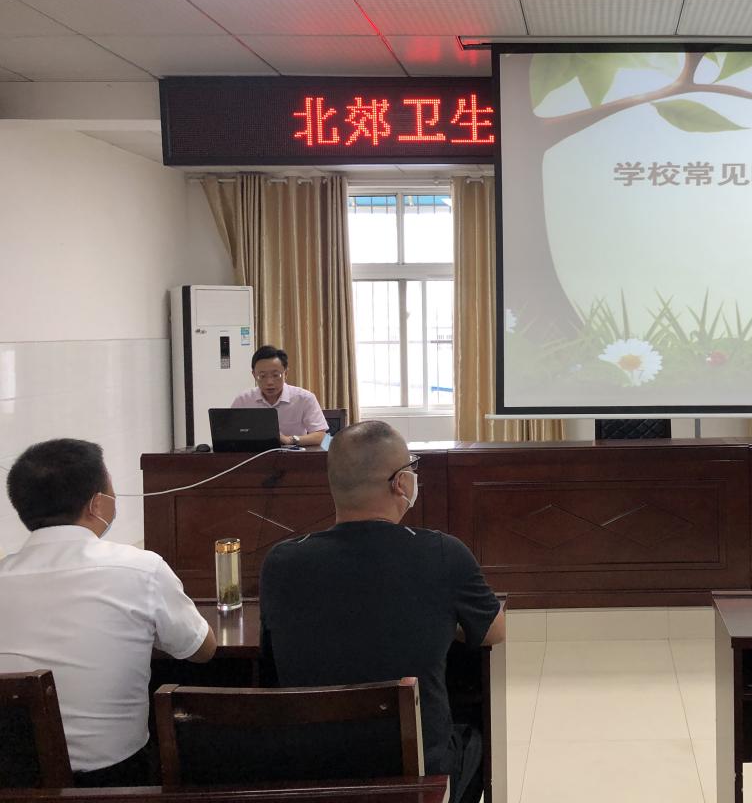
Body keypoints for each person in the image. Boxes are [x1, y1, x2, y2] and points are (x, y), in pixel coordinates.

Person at [259, 421, 504, 803]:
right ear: (400, 483)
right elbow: (493, 631)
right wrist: (442, 617)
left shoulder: (280, 562)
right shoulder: (443, 553)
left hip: (311, 770)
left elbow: (273, 648)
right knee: (473, 732)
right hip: (417, 772)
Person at [0, 438, 217, 786]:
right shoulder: (141, 569)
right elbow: (202, 650)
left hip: (12, 783)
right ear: (97, 503)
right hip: (115, 781)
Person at [232, 344, 329, 447]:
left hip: (293, 455)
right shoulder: (243, 400)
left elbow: (323, 437)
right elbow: (229, 433)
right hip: (253, 454)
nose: (269, 382)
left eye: (276, 375)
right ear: (254, 375)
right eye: (262, 376)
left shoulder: (304, 398)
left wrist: (290, 440)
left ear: (286, 374)